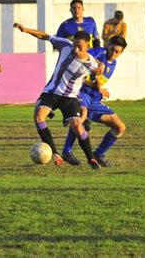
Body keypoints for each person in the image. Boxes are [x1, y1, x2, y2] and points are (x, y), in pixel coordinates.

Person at [14, 22, 104, 169]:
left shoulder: (93, 65)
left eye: (79, 47)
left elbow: (96, 85)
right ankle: (55, 153)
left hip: (70, 98)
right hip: (51, 92)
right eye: (74, 45)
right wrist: (26, 30)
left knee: (77, 127)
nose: (75, 49)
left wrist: (97, 78)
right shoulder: (65, 45)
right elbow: (45, 35)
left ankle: (91, 159)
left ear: (88, 46)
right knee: (38, 116)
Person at [61, 36, 127, 167]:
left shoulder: (113, 63)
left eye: (117, 52)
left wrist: (99, 90)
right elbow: (78, 71)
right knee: (80, 116)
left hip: (95, 99)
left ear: (121, 52)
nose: (113, 53)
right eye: (112, 49)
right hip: (82, 92)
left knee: (120, 127)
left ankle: (99, 153)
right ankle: (67, 151)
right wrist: (97, 88)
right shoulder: (97, 53)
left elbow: (98, 82)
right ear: (107, 44)